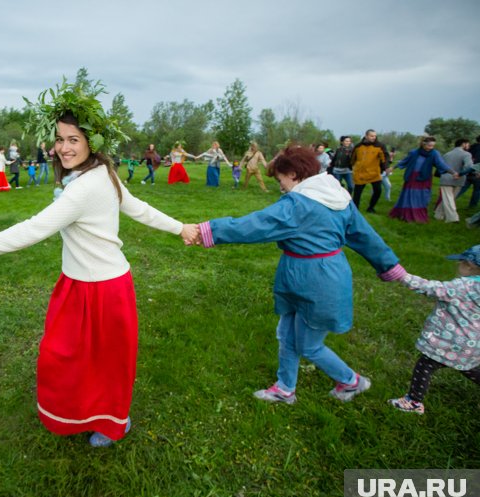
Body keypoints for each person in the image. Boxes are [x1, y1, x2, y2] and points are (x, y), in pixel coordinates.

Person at [0, 81, 199, 447]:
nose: (64, 148)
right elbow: (136, 208)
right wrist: (181, 227)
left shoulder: (87, 185)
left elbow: (32, 230)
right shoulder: (96, 174)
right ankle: (89, 412)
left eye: (73, 140)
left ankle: (115, 421)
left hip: (103, 288)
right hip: (78, 284)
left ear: (91, 144)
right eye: (60, 139)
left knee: (105, 361)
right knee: (67, 357)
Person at [194, 146, 401, 404]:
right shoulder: (337, 194)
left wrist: (208, 231)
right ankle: (284, 388)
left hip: (317, 281)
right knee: (287, 333)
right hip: (307, 274)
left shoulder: (298, 203)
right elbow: (365, 236)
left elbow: (255, 225)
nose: (280, 186)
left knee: (309, 344)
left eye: (280, 180)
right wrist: (388, 265)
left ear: (293, 174)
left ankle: (351, 381)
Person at [386, 245, 480, 414]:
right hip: (473, 346)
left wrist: (402, 276)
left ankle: (414, 401)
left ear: (469, 265)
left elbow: (430, 288)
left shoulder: (463, 286)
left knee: (426, 365)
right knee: (469, 367)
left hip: (451, 342)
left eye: (460, 262)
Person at [388, 136, 451, 223]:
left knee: (421, 196)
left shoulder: (434, 154)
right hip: (412, 177)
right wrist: (393, 167)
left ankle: (418, 215)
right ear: (423, 144)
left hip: (424, 178)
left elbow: (441, 164)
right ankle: (406, 215)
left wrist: (452, 172)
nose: (431, 148)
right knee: (408, 196)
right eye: (429, 145)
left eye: (433, 146)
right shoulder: (414, 153)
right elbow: (404, 161)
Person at [434, 139, 474, 223]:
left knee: (448, 199)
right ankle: (453, 218)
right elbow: (469, 166)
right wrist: (460, 173)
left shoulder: (446, 154)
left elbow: (440, 166)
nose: (469, 146)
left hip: (445, 178)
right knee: (450, 199)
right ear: (463, 144)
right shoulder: (467, 154)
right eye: (468, 144)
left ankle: (438, 214)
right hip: (459, 179)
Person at [350, 129, 387, 213]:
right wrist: (350, 165)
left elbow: (384, 158)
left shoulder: (379, 146)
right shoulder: (358, 146)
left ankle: (371, 207)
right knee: (357, 193)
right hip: (360, 173)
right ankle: (355, 210)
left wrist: (385, 167)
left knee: (378, 191)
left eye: (375, 136)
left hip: (374, 173)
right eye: (371, 136)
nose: (374, 137)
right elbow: (353, 158)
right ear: (366, 136)